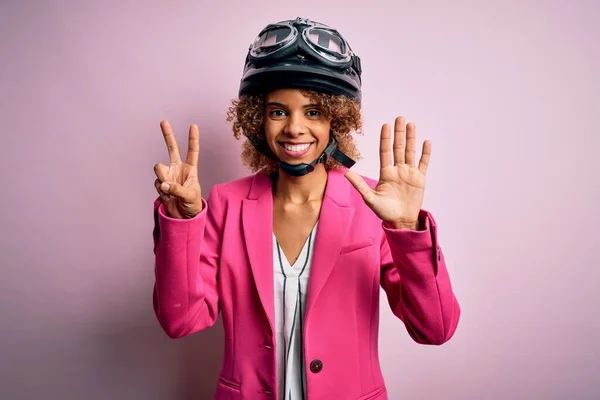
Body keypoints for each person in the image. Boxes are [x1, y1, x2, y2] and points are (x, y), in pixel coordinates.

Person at [152, 17, 460, 400]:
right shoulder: (224, 204)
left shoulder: (374, 204)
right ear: (256, 120)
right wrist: (181, 220)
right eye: (278, 111)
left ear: (338, 119)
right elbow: (181, 321)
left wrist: (406, 228)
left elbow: (436, 328)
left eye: (313, 111)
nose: (295, 128)